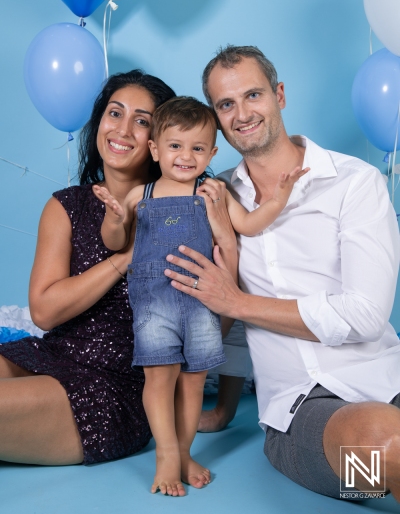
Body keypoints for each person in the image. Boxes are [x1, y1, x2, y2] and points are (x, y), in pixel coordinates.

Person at [163, 45, 400, 500]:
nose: (242, 114)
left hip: (386, 377)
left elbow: (367, 315)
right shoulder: (216, 198)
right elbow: (225, 322)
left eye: (253, 95)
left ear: (280, 95)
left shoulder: (355, 183)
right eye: (226, 104)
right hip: (301, 420)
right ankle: (376, 481)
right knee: (385, 450)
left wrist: (238, 302)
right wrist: (224, 409)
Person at [93, 96, 307, 496]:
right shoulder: (142, 195)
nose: (186, 156)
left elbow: (248, 223)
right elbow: (115, 242)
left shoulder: (214, 191)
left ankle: (185, 452)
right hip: (154, 304)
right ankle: (165, 456)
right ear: (155, 149)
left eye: (197, 148)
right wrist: (115, 217)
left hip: (201, 306)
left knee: (192, 383)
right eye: (175, 146)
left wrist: (277, 199)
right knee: (160, 380)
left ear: (212, 151)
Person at [0, 69, 177, 466]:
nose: (124, 129)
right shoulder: (65, 206)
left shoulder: (175, 213)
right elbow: (44, 312)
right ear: (99, 122)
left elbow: (204, 321)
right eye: (115, 113)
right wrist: (124, 259)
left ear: (158, 142)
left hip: (113, 389)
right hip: (47, 356)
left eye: (142, 121)